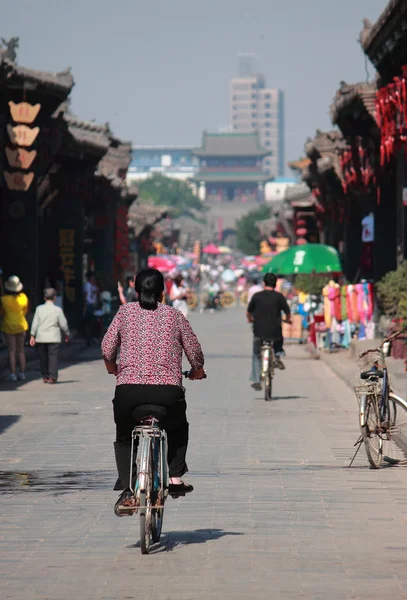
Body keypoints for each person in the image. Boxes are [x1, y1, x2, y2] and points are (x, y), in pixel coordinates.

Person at [101, 268, 205, 516]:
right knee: (178, 427)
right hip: (167, 393)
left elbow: (107, 348)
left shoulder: (124, 313)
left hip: (128, 392)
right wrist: (197, 371)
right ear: (163, 291)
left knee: (125, 437)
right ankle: (176, 477)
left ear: (136, 289)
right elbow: (194, 351)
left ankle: (128, 490)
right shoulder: (174, 316)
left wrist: (113, 368)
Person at [246, 273, 291, 391]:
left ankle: (256, 380)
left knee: (256, 355)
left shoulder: (256, 296)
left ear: (264, 283)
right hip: (275, 332)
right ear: (275, 284)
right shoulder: (279, 297)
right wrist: (287, 320)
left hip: (258, 331)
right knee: (279, 340)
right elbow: (287, 312)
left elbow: (249, 312)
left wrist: (250, 320)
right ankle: (277, 355)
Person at [29, 288, 70, 383]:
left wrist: (32, 335)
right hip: (53, 337)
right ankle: (52, 377)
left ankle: (45, 376)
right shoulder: (57, 310)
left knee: (43, 357)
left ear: (44, 298)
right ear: (54, 298)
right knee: (53, 357)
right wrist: (67, 333)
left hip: (41, 337)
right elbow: (63, 324)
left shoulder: (39, 309)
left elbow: (35, 323)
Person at [0, 275, 29, 381]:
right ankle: (22, 373)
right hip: (21, 325)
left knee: (11, 351)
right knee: (21, 351)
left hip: (9, 325)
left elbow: (2, 313)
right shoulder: (24, 298)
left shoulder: (4, 299)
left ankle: (12, 374)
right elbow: (25, 311)